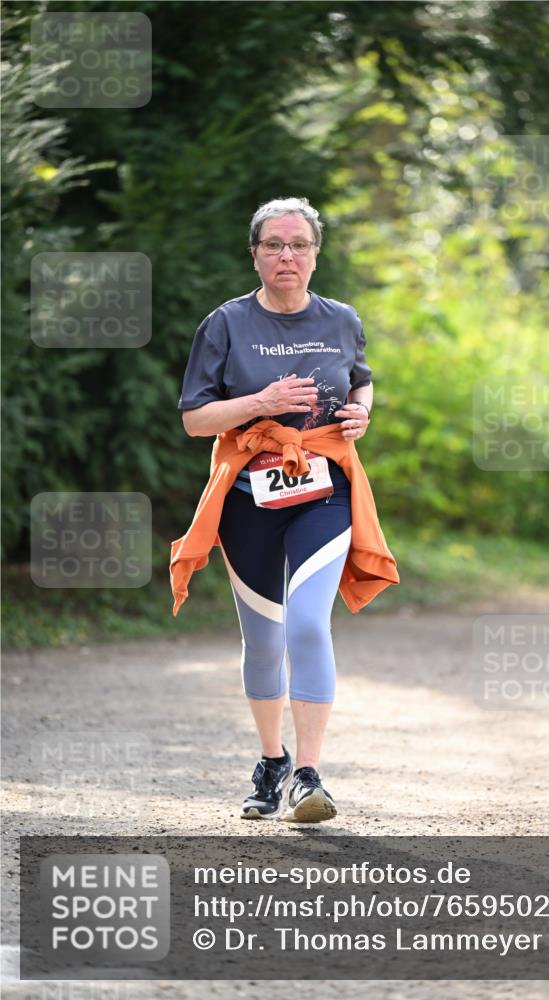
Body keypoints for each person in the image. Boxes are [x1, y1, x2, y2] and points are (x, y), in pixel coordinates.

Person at [176, 196, 395, 822]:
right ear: (256, 253)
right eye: (273, 244)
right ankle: (271, 761)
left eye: (298, 245)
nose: (287, 256)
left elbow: (360, 378)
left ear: (316, 255)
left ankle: (307, 774)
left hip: (325, 493)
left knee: (306, 623)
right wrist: (261, 401)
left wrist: (362, 411)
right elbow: (196, 420)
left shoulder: (342, 320)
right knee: (265, 639)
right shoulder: (225, 324)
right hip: (249, 498)